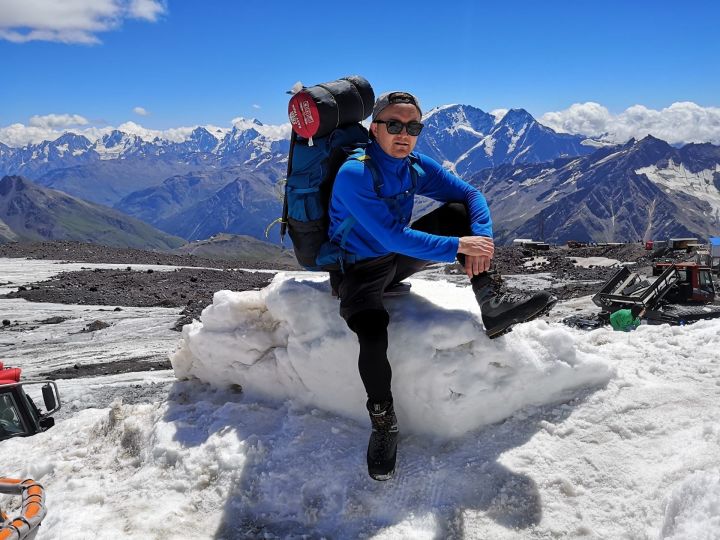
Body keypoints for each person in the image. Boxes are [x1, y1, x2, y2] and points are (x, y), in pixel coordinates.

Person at [327, 91, 557, 480]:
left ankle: (491, 302)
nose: (404, 134)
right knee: (372, 333)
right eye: (394, 125)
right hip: (357, 269)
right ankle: (383, 423)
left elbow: (471, 195)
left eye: (413, 127)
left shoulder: (414, 164)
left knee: (456, 213)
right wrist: (459, 245)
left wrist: (480, 239)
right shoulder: (356, 173)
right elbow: (391, 237)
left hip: (392, 259)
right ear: (374, 128)